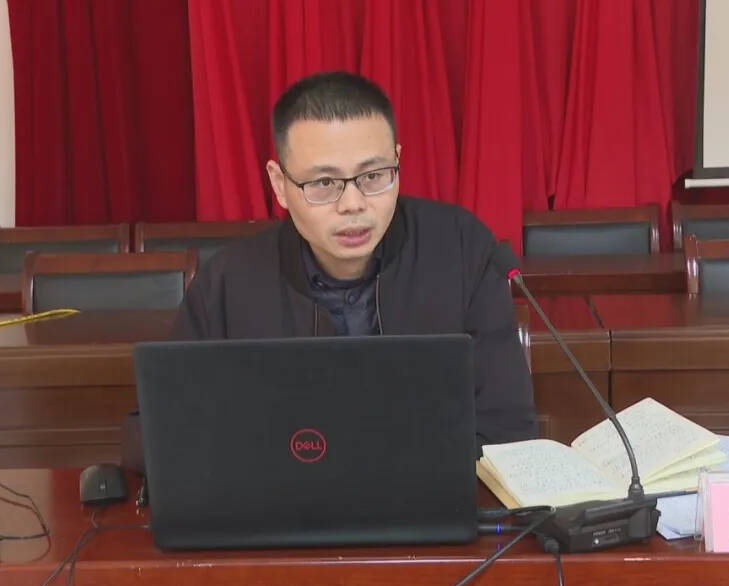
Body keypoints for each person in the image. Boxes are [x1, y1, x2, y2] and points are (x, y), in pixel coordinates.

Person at [172, 71, 536, 450]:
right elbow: (167, 429)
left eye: (373, 176)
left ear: (397, 161)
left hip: (430, 485)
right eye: (324, 183)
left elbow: (508, 426)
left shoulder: (460, 248)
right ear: (279, 184)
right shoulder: (228, 283)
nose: (353, 204)